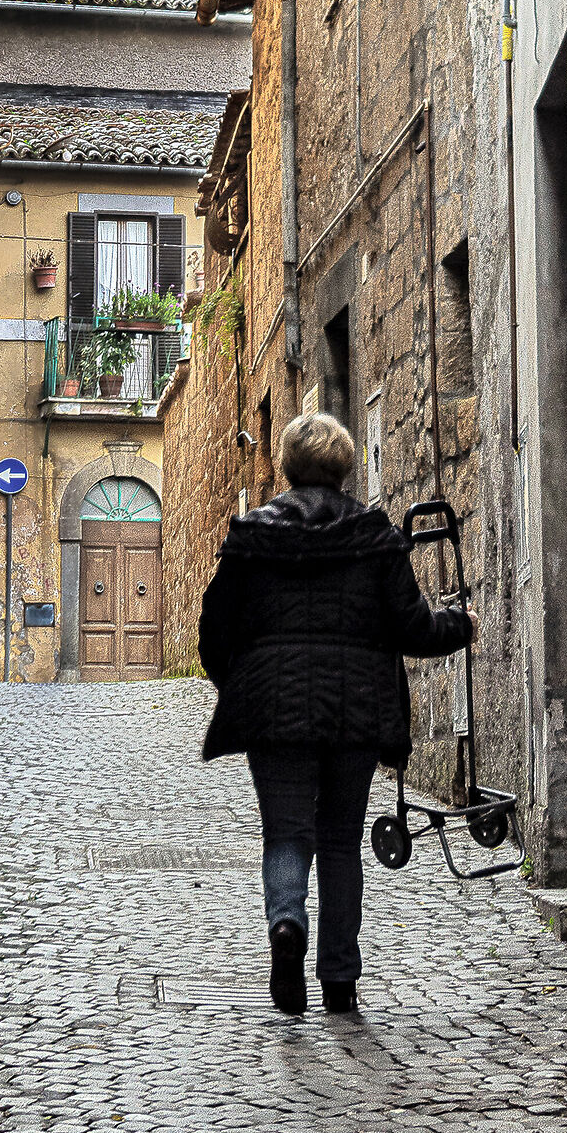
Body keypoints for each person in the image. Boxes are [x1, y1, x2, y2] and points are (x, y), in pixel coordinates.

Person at [198, 411, 472, 1016]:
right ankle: (340, 981)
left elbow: (214, 633)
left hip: (276, 710)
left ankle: (286, 924)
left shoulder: (251, 536)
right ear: (346, 468)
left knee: (286, 833)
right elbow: (412, 627)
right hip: (358, 710)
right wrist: (461, 624)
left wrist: (243, 684)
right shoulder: (374, 536)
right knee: (342, 842)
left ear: (288, 467)